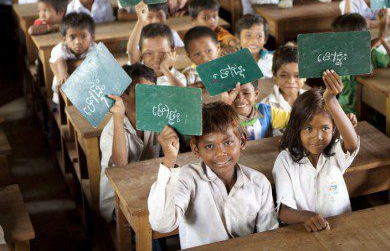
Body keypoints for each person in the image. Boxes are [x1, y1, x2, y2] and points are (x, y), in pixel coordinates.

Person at [148, 102, 278, 248]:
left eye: (228, 142)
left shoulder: (259, 183)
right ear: (195, 149)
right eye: (209, 146)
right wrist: (169, 159)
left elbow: (269, 236)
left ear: (242, 141)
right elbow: (161, 224)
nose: (220, 153)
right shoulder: (187, 179)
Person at [273, 70, 360, 232]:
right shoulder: (285, 160)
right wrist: (305, 216)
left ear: (334, 129)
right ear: (297, 128)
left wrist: (331, 100)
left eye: (325, 128)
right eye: (308, 128)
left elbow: (352, 143)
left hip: (340, 228)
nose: (318, 137)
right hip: (304, 232)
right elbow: (284, 212)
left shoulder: (334, 152)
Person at [99, 64, 160, 222]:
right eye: (141, 92)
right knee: (152, 218)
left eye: (152, 90)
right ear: (123, 96)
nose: (150, 96)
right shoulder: (112, 130)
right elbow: (120, 168)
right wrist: (118, 117)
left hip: (147, 190)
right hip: (117, 199)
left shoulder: (156, 120)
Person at [50, 12, 96, 107]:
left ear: (92, 37)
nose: (78, 42)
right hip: (61, 99)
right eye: (72, 37)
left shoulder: (95, 48)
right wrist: (62, 72)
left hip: (87, 97)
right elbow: (59, 60)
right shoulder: (61, 48)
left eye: (83, 36)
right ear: (64, 38)